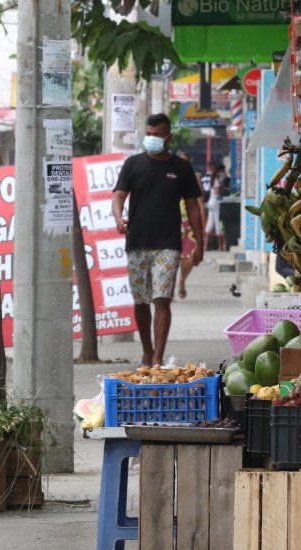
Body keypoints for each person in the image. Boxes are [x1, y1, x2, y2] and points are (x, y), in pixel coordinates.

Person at [113, 114, 204, 367]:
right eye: (149, 133)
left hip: (168, 244)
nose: (152, 138)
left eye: (157, 134)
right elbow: (118, 195)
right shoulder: (133, 164)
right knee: (141, 301)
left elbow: (193, 207)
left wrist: (200, 242)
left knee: (162, 299)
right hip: (137, 243)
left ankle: (157, 356)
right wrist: (119, 219)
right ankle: (146, 350)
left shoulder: (180, 167)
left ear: (168, 137)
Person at [175, 151, 207, 299]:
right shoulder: (169, 176)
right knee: (171, 257)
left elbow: (200, 204)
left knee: (189, 256)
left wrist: (203, 225)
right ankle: (168, 290)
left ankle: (182, 280)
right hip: (172, 222)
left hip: (190, 224)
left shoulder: (194, 179)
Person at [204, 161, 229, 250]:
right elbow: (217, 192)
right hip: (215, 202)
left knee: (210, 224)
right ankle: (221, 246)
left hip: (210, 202)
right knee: (218, 223)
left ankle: (205, 246)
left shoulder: (212, 178)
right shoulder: (217, 180)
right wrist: (221, 188)